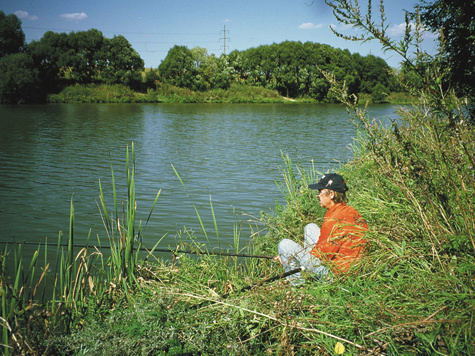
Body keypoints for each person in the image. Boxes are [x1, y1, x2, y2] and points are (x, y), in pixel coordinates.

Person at [275, 173, 368, 286]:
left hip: (336, 276)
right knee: (310, 227)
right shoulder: (350, 211)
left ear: (331, 194)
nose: (317, 195)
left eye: (320, 192)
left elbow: (322, 254)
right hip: (351, 267)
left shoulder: (333, 220)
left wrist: (288, 258)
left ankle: (298, 285)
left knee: (285, 245)